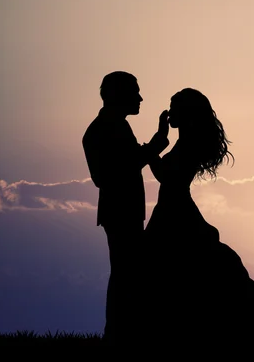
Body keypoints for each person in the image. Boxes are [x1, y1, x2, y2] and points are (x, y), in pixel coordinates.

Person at [141, 88, 254, 346]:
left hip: (175, 211)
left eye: (174, 108)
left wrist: (154, 147)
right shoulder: (185, 142)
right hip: (174, 208)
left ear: (185, 112)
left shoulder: (188, 144)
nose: (170, 112)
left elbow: (167, 176)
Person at [82, 71, 170, 344]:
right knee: (125, 275)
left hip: (123, 212)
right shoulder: (103, 129)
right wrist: (157, 142)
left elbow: (129, 161)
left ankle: (124, 334)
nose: (140, 98)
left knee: (128, 274)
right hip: (119, 213)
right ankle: (119, 335)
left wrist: (153, 145)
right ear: (119, 95)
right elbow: (109, 173)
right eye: (135, 92)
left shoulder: (115, 126)